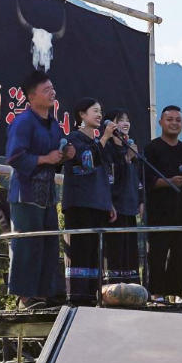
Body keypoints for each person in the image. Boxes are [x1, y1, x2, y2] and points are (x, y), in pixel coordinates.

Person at [5, 70, 74, 309]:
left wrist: (66, 155)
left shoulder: (54, 125)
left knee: (48, 244)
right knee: (27, 244)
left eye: (52, 88)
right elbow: (14, 157)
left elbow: (57, 156)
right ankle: (25, 297)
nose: (52, 92)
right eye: (46, 90)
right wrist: (46, 158)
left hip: (47, 195)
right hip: (25, 194)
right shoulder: (22, 122)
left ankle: (45, 295)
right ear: (31, 97)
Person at [143, 105, 182, 303]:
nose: (174, 123)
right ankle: (156, 294)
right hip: (157, 212)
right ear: (161, 122)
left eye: (178, 120)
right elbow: (146, 180)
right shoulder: (151, 148)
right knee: (157, 253)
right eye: (169, 119)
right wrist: (167, 182)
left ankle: (180, 294)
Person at [62, 97, 118, 305]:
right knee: (80, 252)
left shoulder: (97, 143)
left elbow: (103, 176)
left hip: (97, 205)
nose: (99, 115)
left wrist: (108, 202)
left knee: (95, 254)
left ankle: (93, 297)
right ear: (82, 115)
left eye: (100, 111)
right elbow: (87, 162)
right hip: (79, 204)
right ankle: (76, 298)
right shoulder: (73, 139)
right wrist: (104, 138)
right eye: (94, 111)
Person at [104, 108, 142, 285]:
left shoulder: (131, 147)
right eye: (120, 120)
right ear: (111, 124)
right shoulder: (107, 149)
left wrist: (141, 200)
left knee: (131, 251)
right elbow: (110, 178)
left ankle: (132, 290)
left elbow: (138, 178)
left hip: (130, 206)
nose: (125, 123)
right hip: (114, 208)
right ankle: (114, 290)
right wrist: (126, 159)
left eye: (127, 119)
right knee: (116, 250)